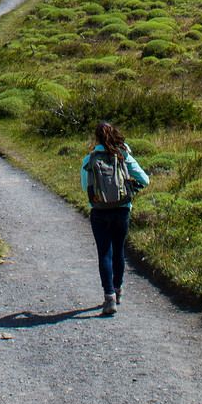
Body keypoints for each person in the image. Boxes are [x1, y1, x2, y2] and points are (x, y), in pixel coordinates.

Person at [79, 120, 149, 316]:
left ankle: (109, 297)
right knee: (119, 251)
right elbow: (145, 179)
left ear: (97, 137)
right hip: (122, 209)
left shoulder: (89, 159)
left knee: (104, 253)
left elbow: (86, 188)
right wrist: (129, 190)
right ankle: (118, 290)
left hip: (99, 211)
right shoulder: (124, 155)